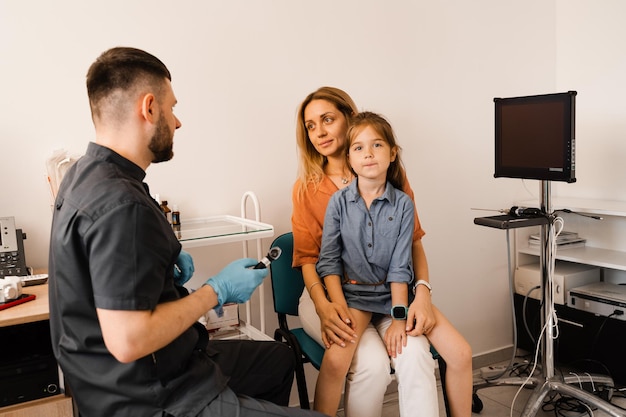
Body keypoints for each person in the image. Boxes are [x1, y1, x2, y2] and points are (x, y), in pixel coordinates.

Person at [48, 46, 325, 417]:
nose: (177, 122)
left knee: (277, 358)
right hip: (154, 396)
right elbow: (129, 340)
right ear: (149, 108)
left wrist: (164, 259)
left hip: (113, 382)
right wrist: (216, 291)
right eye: (172, 107)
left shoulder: (85, 175)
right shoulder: (121, 205)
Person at [291, 87, 473, 417]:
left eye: (328, 120)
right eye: (310, 125)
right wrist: (326, 306)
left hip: (390, 291)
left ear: (350, 118)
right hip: (330, 293)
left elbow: (411, 245)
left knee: (419, 353)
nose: (319, 132)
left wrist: (423, 295)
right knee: (370, 365)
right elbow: (310, 260)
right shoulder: (310, 189)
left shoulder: (391, 178)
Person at [314, 111, 427, 416]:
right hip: (354, 297)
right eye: (359, 148)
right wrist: (337, 307)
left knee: (413, 352)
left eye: (377, 145)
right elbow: (328, 262)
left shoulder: (403, 203)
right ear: (349, 158)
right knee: (337, 359)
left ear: (392, 153)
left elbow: (401, 267)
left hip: (389, 297)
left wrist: (399, 319)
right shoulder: (338, 202)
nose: (368, 154)